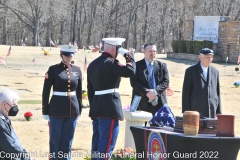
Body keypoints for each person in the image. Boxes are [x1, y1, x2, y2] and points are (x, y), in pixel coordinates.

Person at [87, 38, 135, 160]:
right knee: (106, 147)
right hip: (109, 108)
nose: (118, 52)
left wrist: (94, 106)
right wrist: (128, 55)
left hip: (96, 108)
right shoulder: (112, 63)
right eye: (118, 49)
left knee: (96, 147)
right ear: (114, 48)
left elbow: (90, 90)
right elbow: (130, 71)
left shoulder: (92, 65)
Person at [42, 45, 82, 160]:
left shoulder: (77, 70)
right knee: (55, 141)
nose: (69, 58)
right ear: (61, 55)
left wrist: (79, 109)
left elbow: (79, 92)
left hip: (72, 110)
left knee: (68, 140)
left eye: (71, 55)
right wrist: (45, 110)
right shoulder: (53, 69)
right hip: (56, 110)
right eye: (66, 56)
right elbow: (46, 91)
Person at [130, 42, 170, 117]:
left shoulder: (162, 66)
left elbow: (166, 82)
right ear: (144, 52)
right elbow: (134, 82)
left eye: (154, 51)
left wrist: (155, 92)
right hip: (141, 103)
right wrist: (147, 92)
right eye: (150, 51)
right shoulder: (136, 66)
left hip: (159, 103)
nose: (153, 53)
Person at [182, 48, 222, 118]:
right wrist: (186, 111)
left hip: (211, 110)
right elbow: (186, 92)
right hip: (196, 110)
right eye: (207, 57)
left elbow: (217, 92)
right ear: (200, 57)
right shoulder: (191, 71)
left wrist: (218, 111)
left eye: (211, 57)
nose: (210, 59)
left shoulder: (215, 72)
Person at [0, 88, 31, 160]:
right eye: (14, 104)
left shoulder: (5, 118)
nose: (16, 107)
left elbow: (15, 143)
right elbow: (10, 146)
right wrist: (26, 158)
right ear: (4, 104)